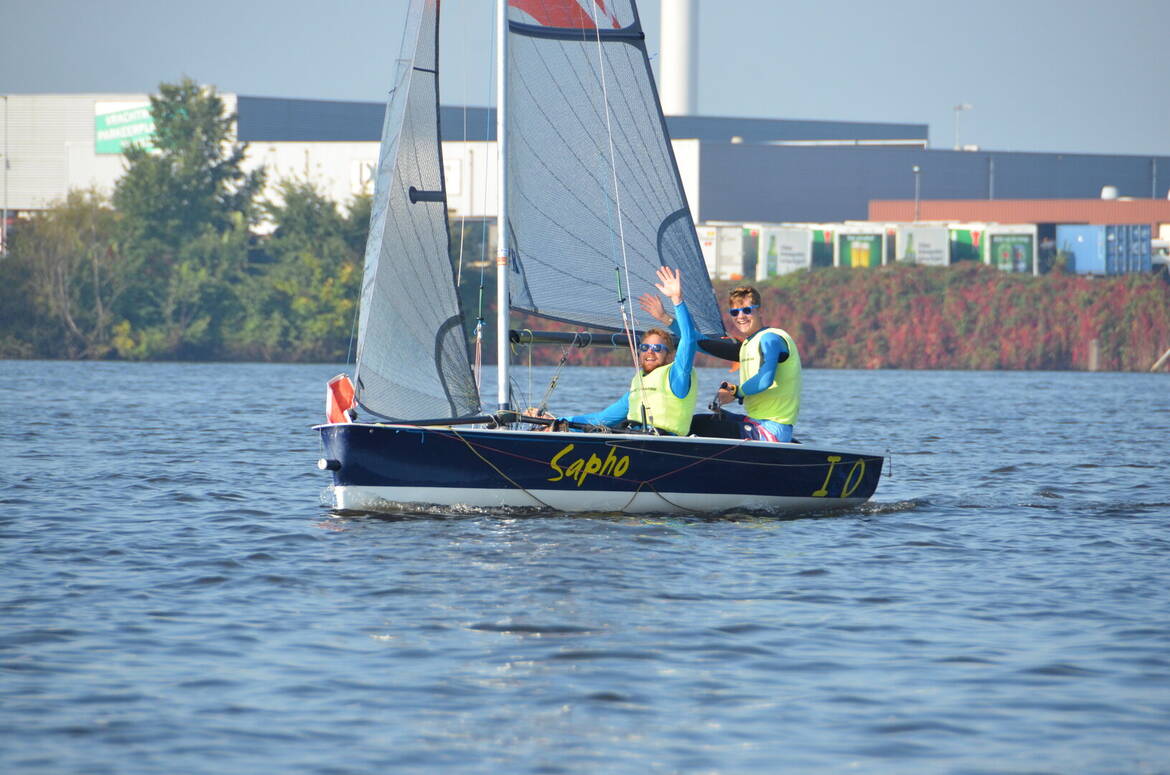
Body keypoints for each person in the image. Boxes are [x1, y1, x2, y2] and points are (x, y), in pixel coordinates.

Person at [528, 266, 699, 436]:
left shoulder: (677, 375)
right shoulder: (637, 386)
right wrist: (556, 422)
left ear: (669, 356)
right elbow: (601, 419)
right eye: (645, 347)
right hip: (631, 439)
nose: (650, 352)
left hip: (663, 444)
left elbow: (689, 339)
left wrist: (677, 300)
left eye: (657, 348)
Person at [714, 285, 802, 442]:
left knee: (705, 427)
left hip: (772, 430)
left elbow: (765, 380)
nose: (740, 316)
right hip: (755, 421)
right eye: (735, 312)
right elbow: (697, 342)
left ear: (760, 311)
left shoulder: (771, 338)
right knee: (702, 420)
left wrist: (737, 392)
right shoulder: (748, 344)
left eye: (747, 310)